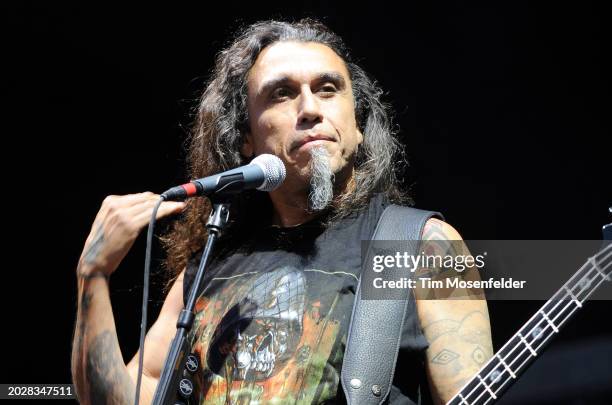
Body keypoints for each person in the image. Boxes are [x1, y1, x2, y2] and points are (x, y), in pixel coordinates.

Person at [71, 19, 492, 405]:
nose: (310, 108)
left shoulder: (421, 246)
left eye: (328, 89)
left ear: (358, 125)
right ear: (246, 138)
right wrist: (93, 276)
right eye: (282, 93)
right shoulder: (210, 267)